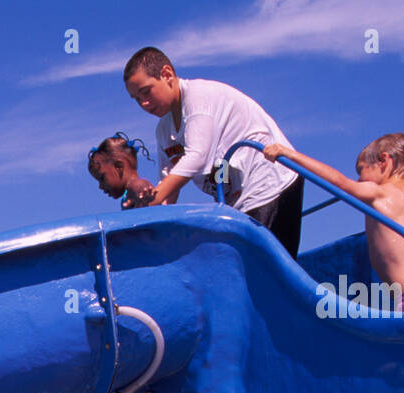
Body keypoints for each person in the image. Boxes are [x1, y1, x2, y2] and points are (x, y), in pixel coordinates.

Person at [264, 133, 404, 313]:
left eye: (361, 171)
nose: (359, 180)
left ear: (383, 161)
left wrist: (289, 154)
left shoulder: (378, 193)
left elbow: (339, 182)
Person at [123, 46, 304, 257]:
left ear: (166, 74)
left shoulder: (197, 98)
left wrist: (156, 196)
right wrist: (144, 212)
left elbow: (197, 157)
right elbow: (167, 190)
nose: (144, 103)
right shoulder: (163, 130)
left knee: (261, 268)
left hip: (270, 184)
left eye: (146, 91)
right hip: (236, 199)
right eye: (136, 99)